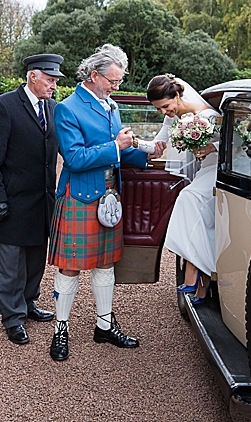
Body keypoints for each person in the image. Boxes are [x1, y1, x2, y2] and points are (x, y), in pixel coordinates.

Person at [48, 43, 155, 361]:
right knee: (70, 268)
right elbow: (75, 158)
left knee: (106, 263)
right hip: (79, 196)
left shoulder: (111, 105)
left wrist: (150, 152)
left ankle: (104, 326)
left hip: (109, 196)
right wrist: (115, 145)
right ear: (94, 75)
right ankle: (60, 331)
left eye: (118, 82)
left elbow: (119, 151)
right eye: (113, 80)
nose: (116, 86)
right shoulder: (68, 108)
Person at [0, 54, 64, 345]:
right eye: (50, 80)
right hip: (11, 203)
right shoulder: (3, 106)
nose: (54, 85)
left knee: (35, 260)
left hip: (42, 203)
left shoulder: (53, 108)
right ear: (33, 76)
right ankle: (12, 318)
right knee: (9, 265)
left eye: (55, 81)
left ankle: (28, 303)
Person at [146, 74, 221, 304]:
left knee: (188, 197)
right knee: (191, 206)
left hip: (220, 169)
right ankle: (200, 274)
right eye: (159, 110)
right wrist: (134, 145)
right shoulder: (172, 117)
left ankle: (196, 271)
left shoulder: (210, 115)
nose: (164, 113)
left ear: (177, 95)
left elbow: (234, 144)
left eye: (166, 107)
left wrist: (211, 147)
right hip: (203, 171)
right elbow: (157, 144)